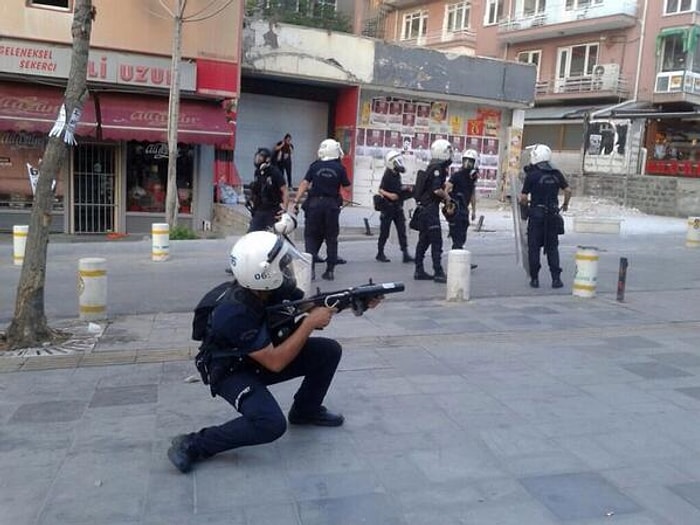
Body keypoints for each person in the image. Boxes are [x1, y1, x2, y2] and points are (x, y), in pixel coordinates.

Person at [167, 231, 375, 474]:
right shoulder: (234, 312)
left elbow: (311, 306)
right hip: (230, 372)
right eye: (282, 264)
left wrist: (355, 300)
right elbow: (276, 362)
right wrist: (308, 324)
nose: (286, 268)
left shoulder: (270, 287)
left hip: (257, 358)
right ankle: (193, 443)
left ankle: (305, 411)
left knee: (328, 351)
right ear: (262, 272)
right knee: (270, 424)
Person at [293, 138, 351, 281]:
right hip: (331, 206)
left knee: (311, 237)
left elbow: (304, 183)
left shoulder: (315, 166)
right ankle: (329, 271)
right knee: (331, 239)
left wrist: (296, 200)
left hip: (313, 205)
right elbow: (347, 187)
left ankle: (310, 271)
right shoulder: (340, 168)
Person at [519, 144, 572, 289]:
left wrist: (526, 208)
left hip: (537, 216)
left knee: (534, 247)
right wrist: (565, 204)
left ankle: (535, 279)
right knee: (553, 248)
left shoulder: (532, 175)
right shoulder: (556, 173)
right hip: (553, 215)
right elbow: (568, 190)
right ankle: (556, 279)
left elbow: (523, 197)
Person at [412, 138, 453, 283]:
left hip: (424, 209)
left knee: (424, 240)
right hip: (430, 211)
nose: (451, 155)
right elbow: (436, 190)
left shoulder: (432, 166)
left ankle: (419, 270)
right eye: (449, 151)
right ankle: (438, 272)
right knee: (436, 241)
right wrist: (447, 197)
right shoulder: (437, 169)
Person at [376, 150, 414, 264]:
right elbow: (380, 189)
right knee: (384, 232)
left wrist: (405, 188)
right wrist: (390, 195)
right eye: (397, 162)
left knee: (402, 231)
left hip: (398, 207)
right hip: (388, 207)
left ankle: (405, 253)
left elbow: (396, 187)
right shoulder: (388, 174)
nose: (399, 164)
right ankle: (380, 253)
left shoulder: (396, 174)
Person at [447, 149, 479, 270]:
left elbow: (472, 194)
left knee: (462, 236)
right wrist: (448, 204)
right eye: (466, 161)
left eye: (470, 162)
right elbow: (447, 189)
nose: (467, 164)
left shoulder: (471, 178)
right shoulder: (456, 175)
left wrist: (474, 210)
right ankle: (457, 262)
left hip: (464, 210)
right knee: (457, 237)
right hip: (457, 210)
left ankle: (459, 260)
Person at [248, 147, 288, 233]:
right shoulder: (257, 172)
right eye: (257, 157)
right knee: (251, 234)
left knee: (271, 236)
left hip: (272, 210)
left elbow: (284, 190)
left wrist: (284, 209)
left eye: (261, 157)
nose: (258, 159)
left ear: (267, 159)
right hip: (259, 210)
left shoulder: (275, 172)